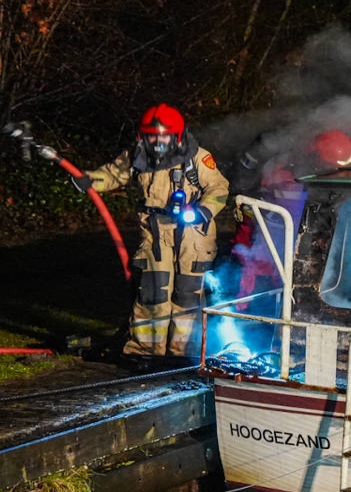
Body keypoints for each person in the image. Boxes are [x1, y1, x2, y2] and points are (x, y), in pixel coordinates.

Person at [74, 104, 234, 358]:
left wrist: (203, 211)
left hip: (193, 235)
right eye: (152, 135)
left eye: (164, 136)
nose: (158, 141)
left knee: (188, 294)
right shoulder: (137, 156)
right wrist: (87, 179)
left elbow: (219, 188)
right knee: (152, 292)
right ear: (143, 135)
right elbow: (112, 175)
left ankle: (185, 353)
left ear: (177, 136)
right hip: (155, 232)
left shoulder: (197, 158)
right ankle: (145, 351)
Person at [228, 128, 351, 303]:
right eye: (340, 169)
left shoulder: (323, 178)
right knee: (260, 297)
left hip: (302, 247)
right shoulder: (284, 177)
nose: (347, 175)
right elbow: (267, 218)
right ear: (319, 162)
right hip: (271, 246)